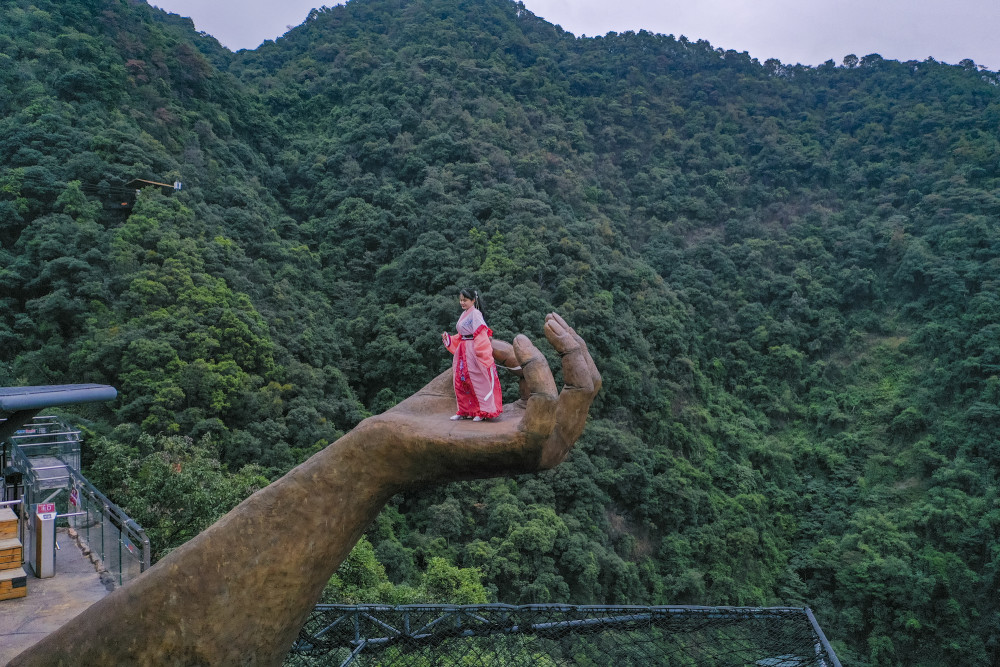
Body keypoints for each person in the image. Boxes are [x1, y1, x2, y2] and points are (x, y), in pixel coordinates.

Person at [441, 288, 503, 421]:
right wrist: (449, 339)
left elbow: (481, 334)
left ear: (473, 300)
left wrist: (480, 353)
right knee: (461, 380)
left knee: (477, 380)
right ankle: (464, 410)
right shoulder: (464, 314)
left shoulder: (476, 314)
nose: (462, 302)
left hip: (473, 349)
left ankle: (482, 411)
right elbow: (462, 335)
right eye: (461, 300)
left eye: (465, 300)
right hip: (463, 349)